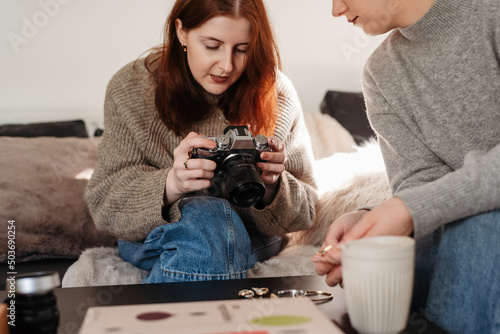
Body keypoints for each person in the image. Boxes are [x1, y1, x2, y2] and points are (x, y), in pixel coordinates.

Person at [85, 0, 317, 284]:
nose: (227, 65)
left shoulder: (275, 93)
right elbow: (104, 202)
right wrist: (172, 184)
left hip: (248, 235)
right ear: (181, 32)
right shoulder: (132, 89)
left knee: (214, 221)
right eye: (212, 46)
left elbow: (307, 211)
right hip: (154, 235)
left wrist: (272, 187)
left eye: (242, 49)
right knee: (208, 215)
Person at [312, 0, 500, 333]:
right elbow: (422, 184)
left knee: (479, 226)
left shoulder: (491, 14)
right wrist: (370, 221)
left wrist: (407, 211)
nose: (336, 10)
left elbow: (424, 204)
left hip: (484, 231)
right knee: (401, 250)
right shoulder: (381, 74)